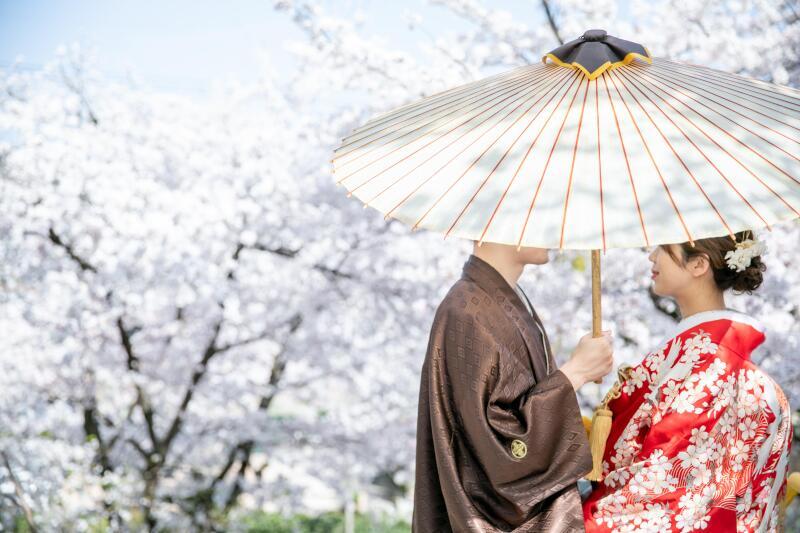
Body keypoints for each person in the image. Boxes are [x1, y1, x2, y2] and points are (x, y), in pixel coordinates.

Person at [583, 230, 793, 532]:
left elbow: (666, 488)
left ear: (698, 265)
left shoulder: (708, 370)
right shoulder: (713, 362)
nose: (652, 256)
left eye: (664, 248)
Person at [413, 241, 614, 532]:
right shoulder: (466, 310)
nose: (552, 234)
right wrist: (575, 373)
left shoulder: (498, 301)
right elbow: (499, 446)